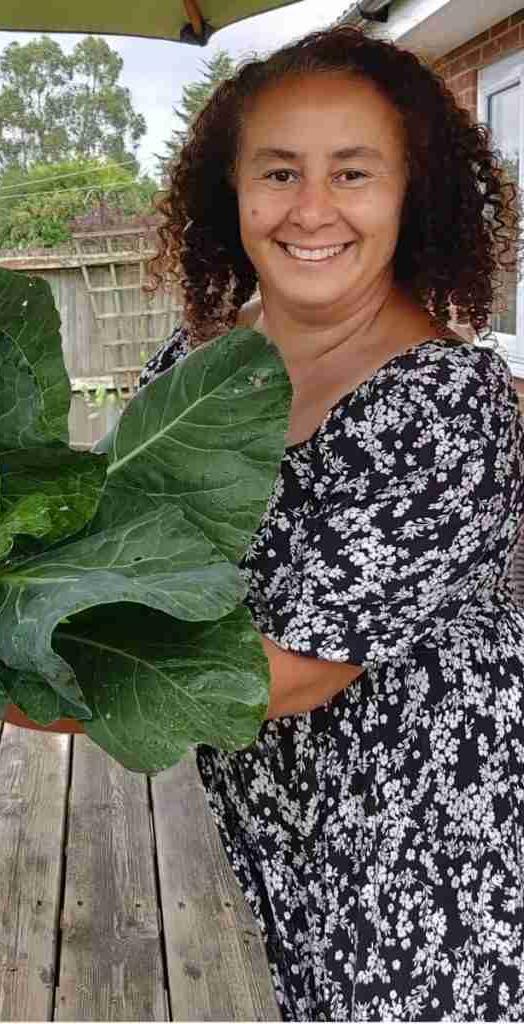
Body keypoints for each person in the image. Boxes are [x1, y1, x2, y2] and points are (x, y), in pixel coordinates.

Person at [141, 25, 524, 1022]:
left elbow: (304, 662)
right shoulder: (199, 364)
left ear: (412, 194)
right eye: (278, 171)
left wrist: (57, 683)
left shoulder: (448, 401)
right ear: (230, 191)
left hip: (429, 845)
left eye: (352, 173)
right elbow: (124, 535)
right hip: (278, 808)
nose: (309, 210)